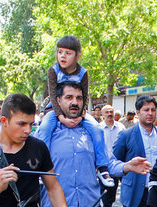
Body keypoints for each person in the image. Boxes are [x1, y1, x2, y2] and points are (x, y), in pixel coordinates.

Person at [39, 36, 113, 188]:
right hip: (56, 110)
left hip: (78, 112)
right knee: (44, 129)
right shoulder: (53, 70)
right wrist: (61, 116)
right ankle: (42, 168)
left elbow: (85, 96)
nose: (63, 56)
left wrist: (81, 116)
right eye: (60, 52)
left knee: (97, 129)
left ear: (77, 55)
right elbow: (53, 95)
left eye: (68, 53)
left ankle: (102, 167)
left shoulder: (83, 72)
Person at [99, 105, 125, 207]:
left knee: (115, 186)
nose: (109, 114)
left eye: (111, 111)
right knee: (105, 184)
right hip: (104, 161)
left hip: (119, 161)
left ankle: (110, 204)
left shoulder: (121, 127)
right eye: (107, 112)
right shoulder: (98, 128)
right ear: (102, 115)